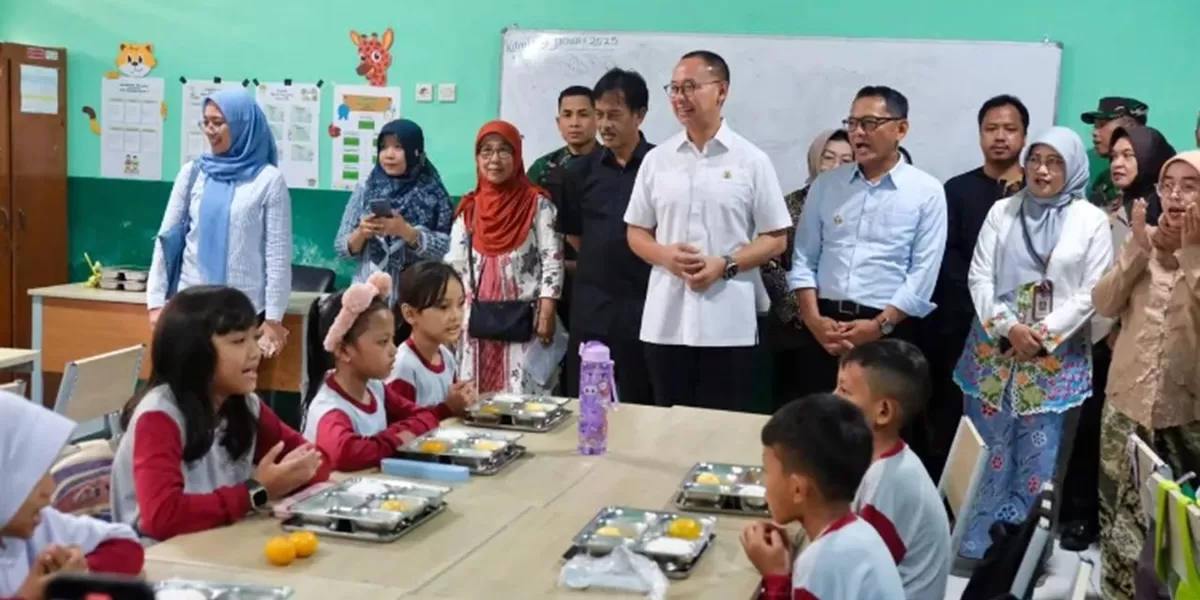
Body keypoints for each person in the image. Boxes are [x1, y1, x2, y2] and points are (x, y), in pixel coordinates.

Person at [952, 126, 1112, 561]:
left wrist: (1042, 335)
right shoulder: (1002, 210)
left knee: (1040, 457)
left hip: (1053, 357)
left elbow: (1092, 291)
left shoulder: (1091, 220)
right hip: (994, 348)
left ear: (1072, 167)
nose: (1042, 170)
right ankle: (974, 544)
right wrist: (1008, 327)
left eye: (1055, 162)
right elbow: (979, 276)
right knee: (988, 448)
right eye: (1036, 159)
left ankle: (1021, 556)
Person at [787, 85, 948, 464]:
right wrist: (813, 319)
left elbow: (922, 276)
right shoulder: (827, 186)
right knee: (819, 441)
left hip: (889, 332)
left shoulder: (926, 192)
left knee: (878, 443)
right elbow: (804, 258)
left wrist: (878, 327)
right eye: (853, 123)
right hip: (825, 329)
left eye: (870, 123)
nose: (858, 133)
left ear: (901, 129)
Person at [624, 50, 791, 409]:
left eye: (690, 87)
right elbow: (635, 232)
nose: (680, 97)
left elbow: (776, 238)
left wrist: (726, 264)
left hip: (729, 321)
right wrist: (664, 256)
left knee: (725, 424)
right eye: (674, 88)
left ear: (721, 91)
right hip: (666, 319)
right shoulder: (657, 160)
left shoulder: (751, 160)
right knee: (668, 421)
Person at [111, 286, 331, 542]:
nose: (255, 352)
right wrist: (257, 491)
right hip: (159, 556)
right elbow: (161, 518)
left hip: (214, 544)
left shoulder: (243, 405)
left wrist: (292, 474)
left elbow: (318, 462)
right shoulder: (159, 415)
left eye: (255, 337)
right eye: (238, 341)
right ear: (194, 352)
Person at [1059, 124, 1176, 551]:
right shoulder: (1113, 206)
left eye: (1129, 155)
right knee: (1092, 431)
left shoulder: (1165, 217)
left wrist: (1121, 328)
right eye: (1115, 156)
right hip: (1098, 334)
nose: (1118, 163)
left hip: (1137, 345)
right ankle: (1085, 516)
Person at [1092, 151, 1200, 600]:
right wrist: (1136, 250)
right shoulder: (1144, 239)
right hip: (1126, 405)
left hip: (1186, 415)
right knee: (1118, 514)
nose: (1176, 196)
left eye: (1190, 186)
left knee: (1179, 535)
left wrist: (1191, 255)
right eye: (1168, 185)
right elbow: (1103, 303)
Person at [926, 95, 1029, 479]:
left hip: (1022, 332)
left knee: (1013, 425)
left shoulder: (1039, 191)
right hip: (963, 327)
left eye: (1010, 129)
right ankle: (949, 497)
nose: (1000, 137)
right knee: (954, 418)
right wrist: (983, 306)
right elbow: (946, 255)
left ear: (1024, 135)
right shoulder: (957, 190)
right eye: (991, 129)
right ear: (980, 134)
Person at [147, 88, 291, 356]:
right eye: (206, 122)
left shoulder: (268, 180)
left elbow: (277, 254)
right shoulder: (192, 173)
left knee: (235, 381)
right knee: (189, 380)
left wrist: (274, 318)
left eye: (218, 122)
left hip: (243, 310)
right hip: (191, 306)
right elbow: (166, 239)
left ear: (242, 125)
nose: (210, 130)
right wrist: (155, 302)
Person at [301, 272, 471, 472]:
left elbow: (425, 416)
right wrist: (398, 438)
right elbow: (346, 454)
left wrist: (393, 436)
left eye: (392, 339)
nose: (394, 350)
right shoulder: (330, 408)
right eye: (383, 342)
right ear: (343, 350)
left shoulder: (375, 389)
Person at [742, 393, 905, 600]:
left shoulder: (819, 565)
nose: (764, 482)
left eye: (766, 471)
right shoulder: (863, 532)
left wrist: (776, 578)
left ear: (798, 490)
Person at [558, 68, 655, 403]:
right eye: (599, 115)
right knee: (588, 403)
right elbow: (574, 235)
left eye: (614, 115)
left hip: (645, 305)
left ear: (639, 115)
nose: (604, 125)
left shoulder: (660, 166)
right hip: (592, 308)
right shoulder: (578, 172)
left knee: (641, 402)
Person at [446, 120, 564, 395]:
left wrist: (547, 310)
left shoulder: (537, 203)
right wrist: (452, 314)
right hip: (477, 320)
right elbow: (455, 265)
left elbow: (552, 258)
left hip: (525, 318)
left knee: (522, 397)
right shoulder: (470, 207)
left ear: (517, 155)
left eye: (503, 150)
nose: (494, 159)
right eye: (486, 151)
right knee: (476, 397)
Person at [835, 340, 951, 600]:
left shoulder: (888, 483)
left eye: (844, 391)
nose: (832, 399)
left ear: (883, 411)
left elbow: (856, 582)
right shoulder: (880, 461)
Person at [1, 395, 144, 600]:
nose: (50, 489)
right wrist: (33, 595)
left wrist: (77, 573)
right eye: (35, 474)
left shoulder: (39, 523)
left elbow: (127, 546)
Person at [762, 129, 853, 407]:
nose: (836, 166)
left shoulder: (862, 207)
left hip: (844, 326)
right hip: (795, 328)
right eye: (828, 157)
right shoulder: (790, 205)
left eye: (846, 160)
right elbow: (770, 263)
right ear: (815, 160)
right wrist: (803, 312)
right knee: (796, 408)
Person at [333, 119, 454, 304]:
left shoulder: (433, 193)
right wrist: (362, 233)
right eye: (383, 147)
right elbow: (341, 249)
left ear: (414, 152)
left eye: (398, 147)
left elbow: (446, 250)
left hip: (415, 299)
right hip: (369, 300)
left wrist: (406, 232)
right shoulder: (367, 187)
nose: (389, 155)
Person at [527, 86, 598, 346]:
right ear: (558, 123)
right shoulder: (544, 168)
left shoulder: (609, 165)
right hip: (548, 278)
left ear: (597, 118)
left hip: (596, 277)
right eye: (567, 115)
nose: (575, 122)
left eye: (583, 114)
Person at [388, 261, 474, 408]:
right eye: (443, 307)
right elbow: (401, 422)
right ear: (410, 314)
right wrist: (448, 408)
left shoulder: (446, 357)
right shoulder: (403, 367)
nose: (456, 316)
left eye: (460, 304)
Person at [1081, 97, 1149, 208]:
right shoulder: (1099, 175)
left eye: (1101, 125)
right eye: (1095, 126)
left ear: (1129, 127)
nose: (1094, 132)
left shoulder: (1158, 176)